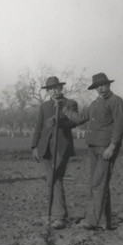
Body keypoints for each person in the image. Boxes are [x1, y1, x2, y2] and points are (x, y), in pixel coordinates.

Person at [63, 73, 123, 230]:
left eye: (103, 85)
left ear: (109, 85)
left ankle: (91, 221)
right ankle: (105, 222)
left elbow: (121, 125)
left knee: (98, 184)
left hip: (106, 149)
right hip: (92, 147)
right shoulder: (95, 103)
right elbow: (79, 119)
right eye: (97, 86)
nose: (100, 88)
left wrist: (112, 147)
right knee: (99, 183)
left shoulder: (116, 101)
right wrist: (66, 110)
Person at [31, 76, 79, 230]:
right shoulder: (44, 106)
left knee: (56, 178)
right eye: (51, 89)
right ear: (48, 91)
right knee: (50, 179)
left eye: (56, 88)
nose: (54, 91)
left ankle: (60, 217)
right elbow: (38, 127)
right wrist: (34, 147)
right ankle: (51, 214)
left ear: (61, 88)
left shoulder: (70, 103)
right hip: (44, 148)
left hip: (61, 147)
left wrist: (58, 120)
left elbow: (73, 122)